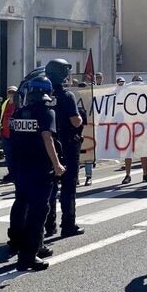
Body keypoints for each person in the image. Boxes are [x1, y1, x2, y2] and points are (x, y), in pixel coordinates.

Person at [7, 76, 66, 271]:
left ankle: (19, 242)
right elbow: (47, 138)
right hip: (40, 169)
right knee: (38, 212)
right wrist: (57, 164)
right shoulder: (47, 112)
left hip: (20, 168)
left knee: (21, 205)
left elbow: (12, 141)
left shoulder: (19, 112)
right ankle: (28, 256)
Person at [44, 59, 85, 237]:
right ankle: (68, 224)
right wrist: (82, 118)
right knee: (68, 187)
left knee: (50, 188)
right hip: (67, 146)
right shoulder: (67, 96)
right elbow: (75, 121)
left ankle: (49, 225)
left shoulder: (41, 93)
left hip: (48, 145)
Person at [0, 85, 18, 183]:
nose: (11, 94)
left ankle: (16, 174)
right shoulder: (5, 103)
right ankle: (11, 173)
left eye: (13, 93)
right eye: (10, 92)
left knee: (15, 156)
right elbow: (1, 115)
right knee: (8, 156)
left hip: (15, 135)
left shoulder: (18, 104)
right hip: (5, 134)